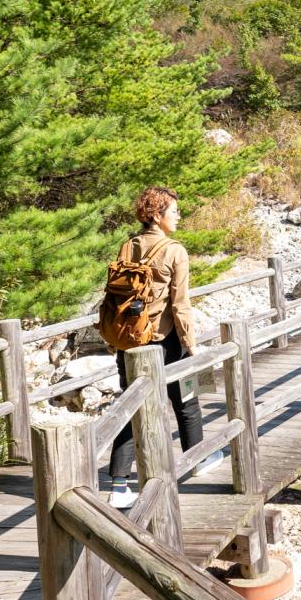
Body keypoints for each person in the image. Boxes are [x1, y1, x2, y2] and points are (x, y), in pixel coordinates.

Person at [109, 186, 201, 508]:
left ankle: (119, 484)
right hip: (164, 341)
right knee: (186, 400)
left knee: (132, 407)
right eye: (173, 211)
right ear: (158, 215)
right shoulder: (175, 250)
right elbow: (180, 305)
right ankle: (197, 459)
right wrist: (191, 346)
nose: (178, 216)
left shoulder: (128, 245)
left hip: (130, 341)